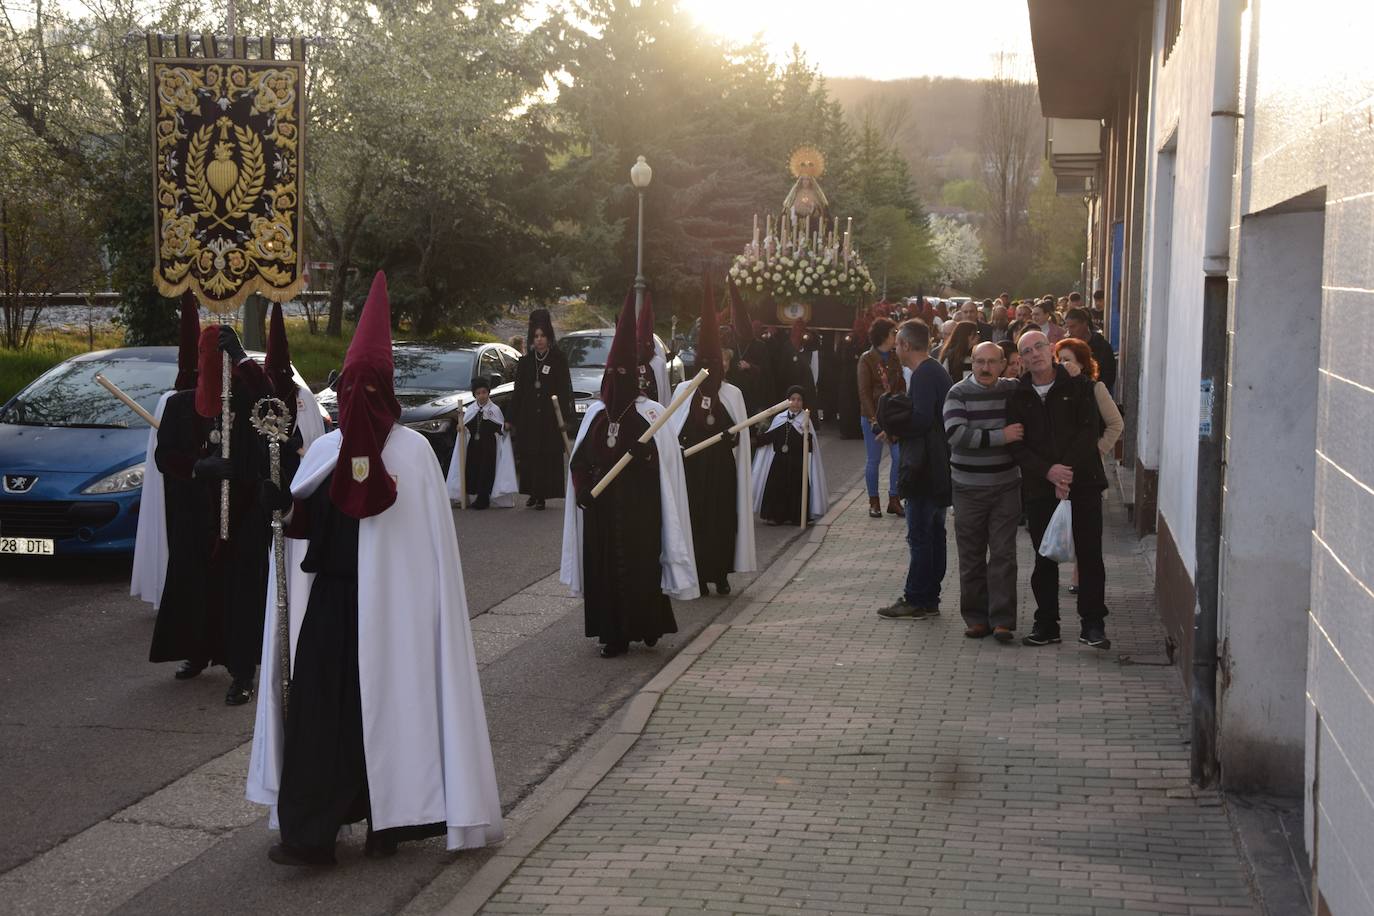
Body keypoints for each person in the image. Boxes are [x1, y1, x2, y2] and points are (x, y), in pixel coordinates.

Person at [247, 271, 503, 866]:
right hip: (333, 606)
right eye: (351, 384)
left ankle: (393, 821)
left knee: (390, 713)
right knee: (316, 715)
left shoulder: (412, 457)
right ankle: (311, 833)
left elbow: (429, 554)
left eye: (369, 385)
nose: (358, 395)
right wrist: (282, 506)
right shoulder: (325, 451)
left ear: (386, 390)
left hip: (398, 619)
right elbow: (306, 520)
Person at [562, 295, 697, 658]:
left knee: (639, 566)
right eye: (611, 376)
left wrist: (645, 455)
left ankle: (647, 625)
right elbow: (579, 463)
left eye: (621, 375)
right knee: (605, 570)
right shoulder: (596, 415)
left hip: (640, 509)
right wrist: (583, 491)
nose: (615, 382)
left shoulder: (651, 414)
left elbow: (667, 469)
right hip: (603, 512)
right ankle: (613, 634)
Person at [149, 321, 275, 705]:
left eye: (223, 358)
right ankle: (197, 650)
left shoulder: (245, 399)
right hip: (195, 516)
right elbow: (164, 456)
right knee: (197, 586)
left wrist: (242, 358)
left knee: (241, 592)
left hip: (243, 513)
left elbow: (272, 403)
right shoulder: (179, 405)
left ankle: (242, 670)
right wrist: (196, 467)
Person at [1007, 330, 1110, 649]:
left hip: (1084, 483)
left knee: (1090, 554)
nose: (1035, 353)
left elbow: (1089, 430)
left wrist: (1065, 470)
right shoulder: (1018, 395)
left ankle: (1092, 624)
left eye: (1040, 346)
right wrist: (1048, 471)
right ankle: (1047, 624)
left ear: (1051, 348)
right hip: (1041, 487)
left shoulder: (1078, 386)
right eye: (1027, 351)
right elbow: (1018, 447)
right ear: (1021, 360)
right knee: (1044, 555)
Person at [668, 283, 756, 597]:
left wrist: (729, 436)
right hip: (692, 470)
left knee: (720, 522)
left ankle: (720, 574)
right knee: (696, 520)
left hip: (720, 471)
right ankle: (699, 574)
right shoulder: (683, 393)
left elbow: (743, 438)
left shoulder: (733, 394)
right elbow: (672, 433)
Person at [944, 342, 1023, 642]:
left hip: (1005, 486)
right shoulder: (958, 394)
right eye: (980, 362)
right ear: (972, 363)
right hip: (967, 488)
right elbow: (956, 434)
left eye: (992, 362)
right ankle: (977, 618)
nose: (986, 368)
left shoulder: (1012, 390)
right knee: (972, 555)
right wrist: (1001, 436)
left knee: (1004, 554)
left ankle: (1002, 620)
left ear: (1003, 364)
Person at [877, 320, 953, 620]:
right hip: (937, 463)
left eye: (898, 343)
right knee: (934, 533)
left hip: (925, 466)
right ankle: (930, 597)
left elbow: (921, 419)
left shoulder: (923, 374)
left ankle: (916, 598)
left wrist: (894, 428)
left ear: (907, 345)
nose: (895, 347)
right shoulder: (934, 370)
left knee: (921, 535)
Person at [509, 309, 575, 510]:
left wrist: (566, 418)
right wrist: (510, 417)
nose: (539, 340)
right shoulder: (526, 362)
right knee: (530, 455)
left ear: (548, 337)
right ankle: (532, 492)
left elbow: (565, 390)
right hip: (528, 417)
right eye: (536, 336)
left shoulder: (558, 359)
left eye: (543, 336)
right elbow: (518, 392)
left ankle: (542, 495)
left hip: (549, 418)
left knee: (546, 455)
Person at [752, 385, 828, 526]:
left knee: (796, 489)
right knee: (777, 488)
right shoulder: (779, 418)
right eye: (792, 399)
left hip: (797, 463)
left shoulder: (805, 421)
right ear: (788, 401)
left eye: (799, 400)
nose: (795, 402)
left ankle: (796, 516)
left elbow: (811, 447)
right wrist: (754, 439)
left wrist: (806, 434)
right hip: (779, 461)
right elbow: (770, 437)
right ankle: (775, 516)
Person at [445, 378, 518, 509]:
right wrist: (461, 428)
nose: (481, 396)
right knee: (473, 470)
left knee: (486, 471)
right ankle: (470, 495)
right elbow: (466, 428)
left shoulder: (494, 410)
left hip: (489, 447)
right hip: (474, 447)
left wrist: (503, 428)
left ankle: (484, 498)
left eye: (484, 392)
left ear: (488, 393)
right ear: (474, 395)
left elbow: (500, 427)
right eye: (478, 393)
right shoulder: (471, 410)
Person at [857, 316, 903, 519]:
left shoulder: (896, 357)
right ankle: (873, 501)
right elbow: (864, 392)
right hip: (872, 416)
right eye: (894, 333)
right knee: (873, 460)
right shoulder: (866, 358)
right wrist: (873, 419)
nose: (896, 336)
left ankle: (894, 499)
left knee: (899, 456)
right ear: (884, 335)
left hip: (893, 416)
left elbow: (901, 385)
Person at [725, 283, 774, 417]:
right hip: (735, 390)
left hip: (754, 393)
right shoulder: (732, 345)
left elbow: (766, 373)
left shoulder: (759, 346)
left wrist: (750, 367)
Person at [1064, 307, 1118, 395]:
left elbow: (1109, 374)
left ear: (1085, 324)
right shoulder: (1066, 346)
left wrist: (1096, 392)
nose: (1070, 331)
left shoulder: (1102, 346)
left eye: (1073, 326)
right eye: (1068, 327)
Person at [637, 291, 669, 404]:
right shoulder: (628, 363)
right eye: (638, 343)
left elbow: (664, 394)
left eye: (643, 344)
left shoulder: (658, 364)